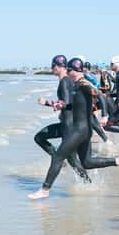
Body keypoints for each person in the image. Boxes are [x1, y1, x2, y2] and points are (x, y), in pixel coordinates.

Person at [29, 58, 119, 200]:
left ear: (74, 70)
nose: (68, 73)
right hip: (83, 130)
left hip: (79, 130)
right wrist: (56, 105)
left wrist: (104, 115)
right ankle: (118, 161)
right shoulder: (76, 85)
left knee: (58, 156)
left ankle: (45, 189)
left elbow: (101, 96)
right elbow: (72, 106)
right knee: (87, 162)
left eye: (69, 70)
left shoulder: (83, 83)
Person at [33, 54, 91, 183]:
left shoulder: (65, 81)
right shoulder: (68, 81)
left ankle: (87, 182)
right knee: (40, 137)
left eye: (53, 65)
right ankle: (61, 160)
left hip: (68, 125)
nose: (51, 68)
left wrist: (47, 103)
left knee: (72, 159)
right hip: (67, 124)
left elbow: (65, 103)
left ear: (59, 67)